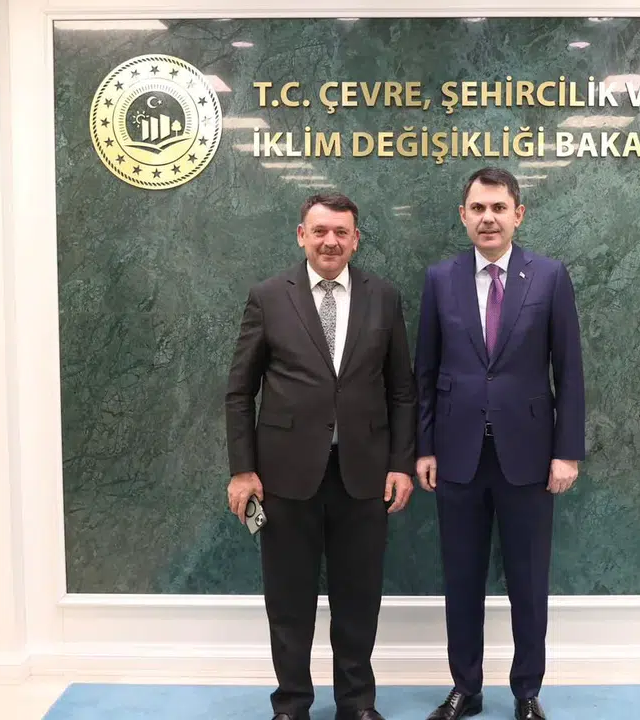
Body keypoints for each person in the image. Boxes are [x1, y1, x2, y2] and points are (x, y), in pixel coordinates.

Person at [225, 193, 417, 720]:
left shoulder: (384, 297)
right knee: (289, 598)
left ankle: (356, 703)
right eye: (320, 231)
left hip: (365, 474)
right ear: (301, 236)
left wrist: (400, 463)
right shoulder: (268, 297)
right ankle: (291, 704)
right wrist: (242, 469)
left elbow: (402, 390)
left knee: (359, 597)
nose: (330, 241)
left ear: (356, 240)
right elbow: (240, 391)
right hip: (283, 475)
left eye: (341, 233)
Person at [414, 167, 585, 720]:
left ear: (518, 214)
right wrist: (424, 448)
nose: (488, 218)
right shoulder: (440, 279)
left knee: (528, 582)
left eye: (498, 208)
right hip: (456, 455)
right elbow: (425, 372)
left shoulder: (550, 277)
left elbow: (569, 371)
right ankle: (465, 688)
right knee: (461, 579)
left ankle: (527, 691)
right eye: (478, 208)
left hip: (529, 457)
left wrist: (566, 451)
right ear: (463, 216)